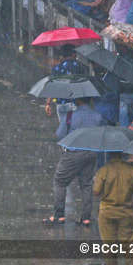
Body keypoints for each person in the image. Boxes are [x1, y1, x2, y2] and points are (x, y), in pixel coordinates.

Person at [44, 96, 104, 227]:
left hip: (73, 154)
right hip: (91, 153)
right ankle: (86, 217)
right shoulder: (97, 116)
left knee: (60, 181)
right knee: (86, 184)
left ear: (78, 100)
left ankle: (59, 215)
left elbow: (60, 135)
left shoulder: (70, 116)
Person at [93, 153, 133, 265]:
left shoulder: (103, 170)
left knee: (108, 245)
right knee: (128, 243)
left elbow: (96, 192)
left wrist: (97, 181)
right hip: (126, 212)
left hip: (107, 212)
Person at [44, 45, 85, 128]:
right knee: (75, 130)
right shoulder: (80, 67)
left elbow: (52, 86)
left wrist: (48, 103)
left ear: (62, 55)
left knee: (63, 128)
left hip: (61, 103)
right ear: (73, 54)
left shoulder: (57, 68)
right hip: (76, 103)